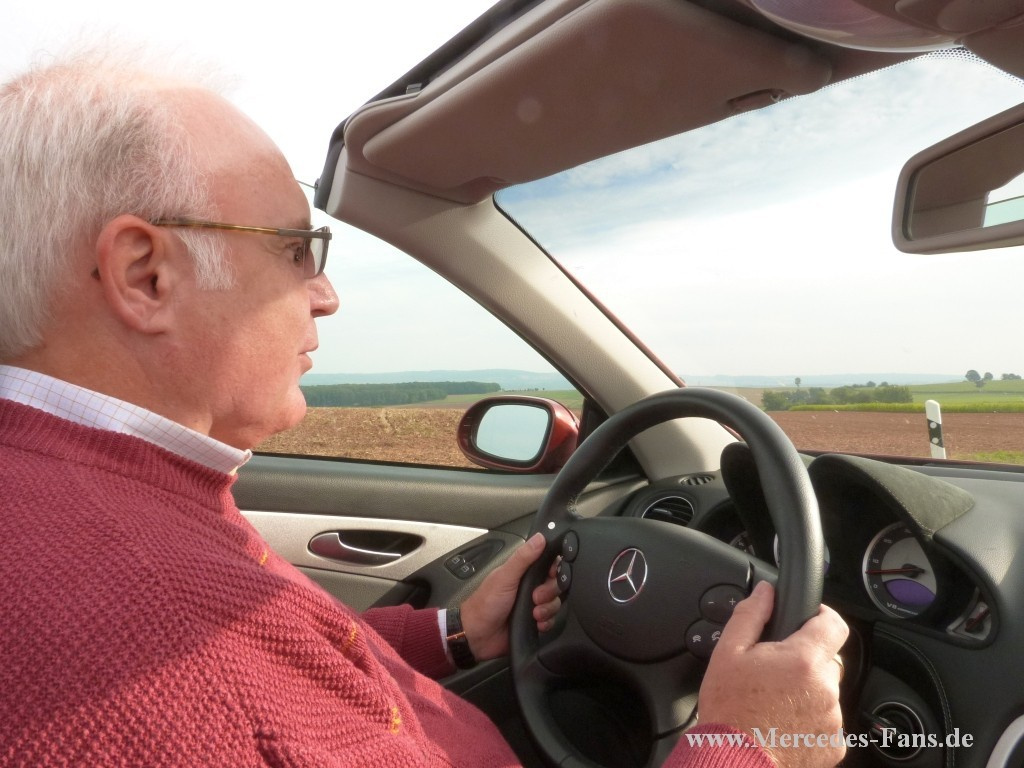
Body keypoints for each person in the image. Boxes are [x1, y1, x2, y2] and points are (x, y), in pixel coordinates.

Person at [0, 50, 848, 768]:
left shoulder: (106, 498)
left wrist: (452, 634)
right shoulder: (146, 659)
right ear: (146, 275)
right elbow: (237, 682)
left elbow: (289, 651)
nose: (325, 295)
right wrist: (754, 744)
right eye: (296, 249)